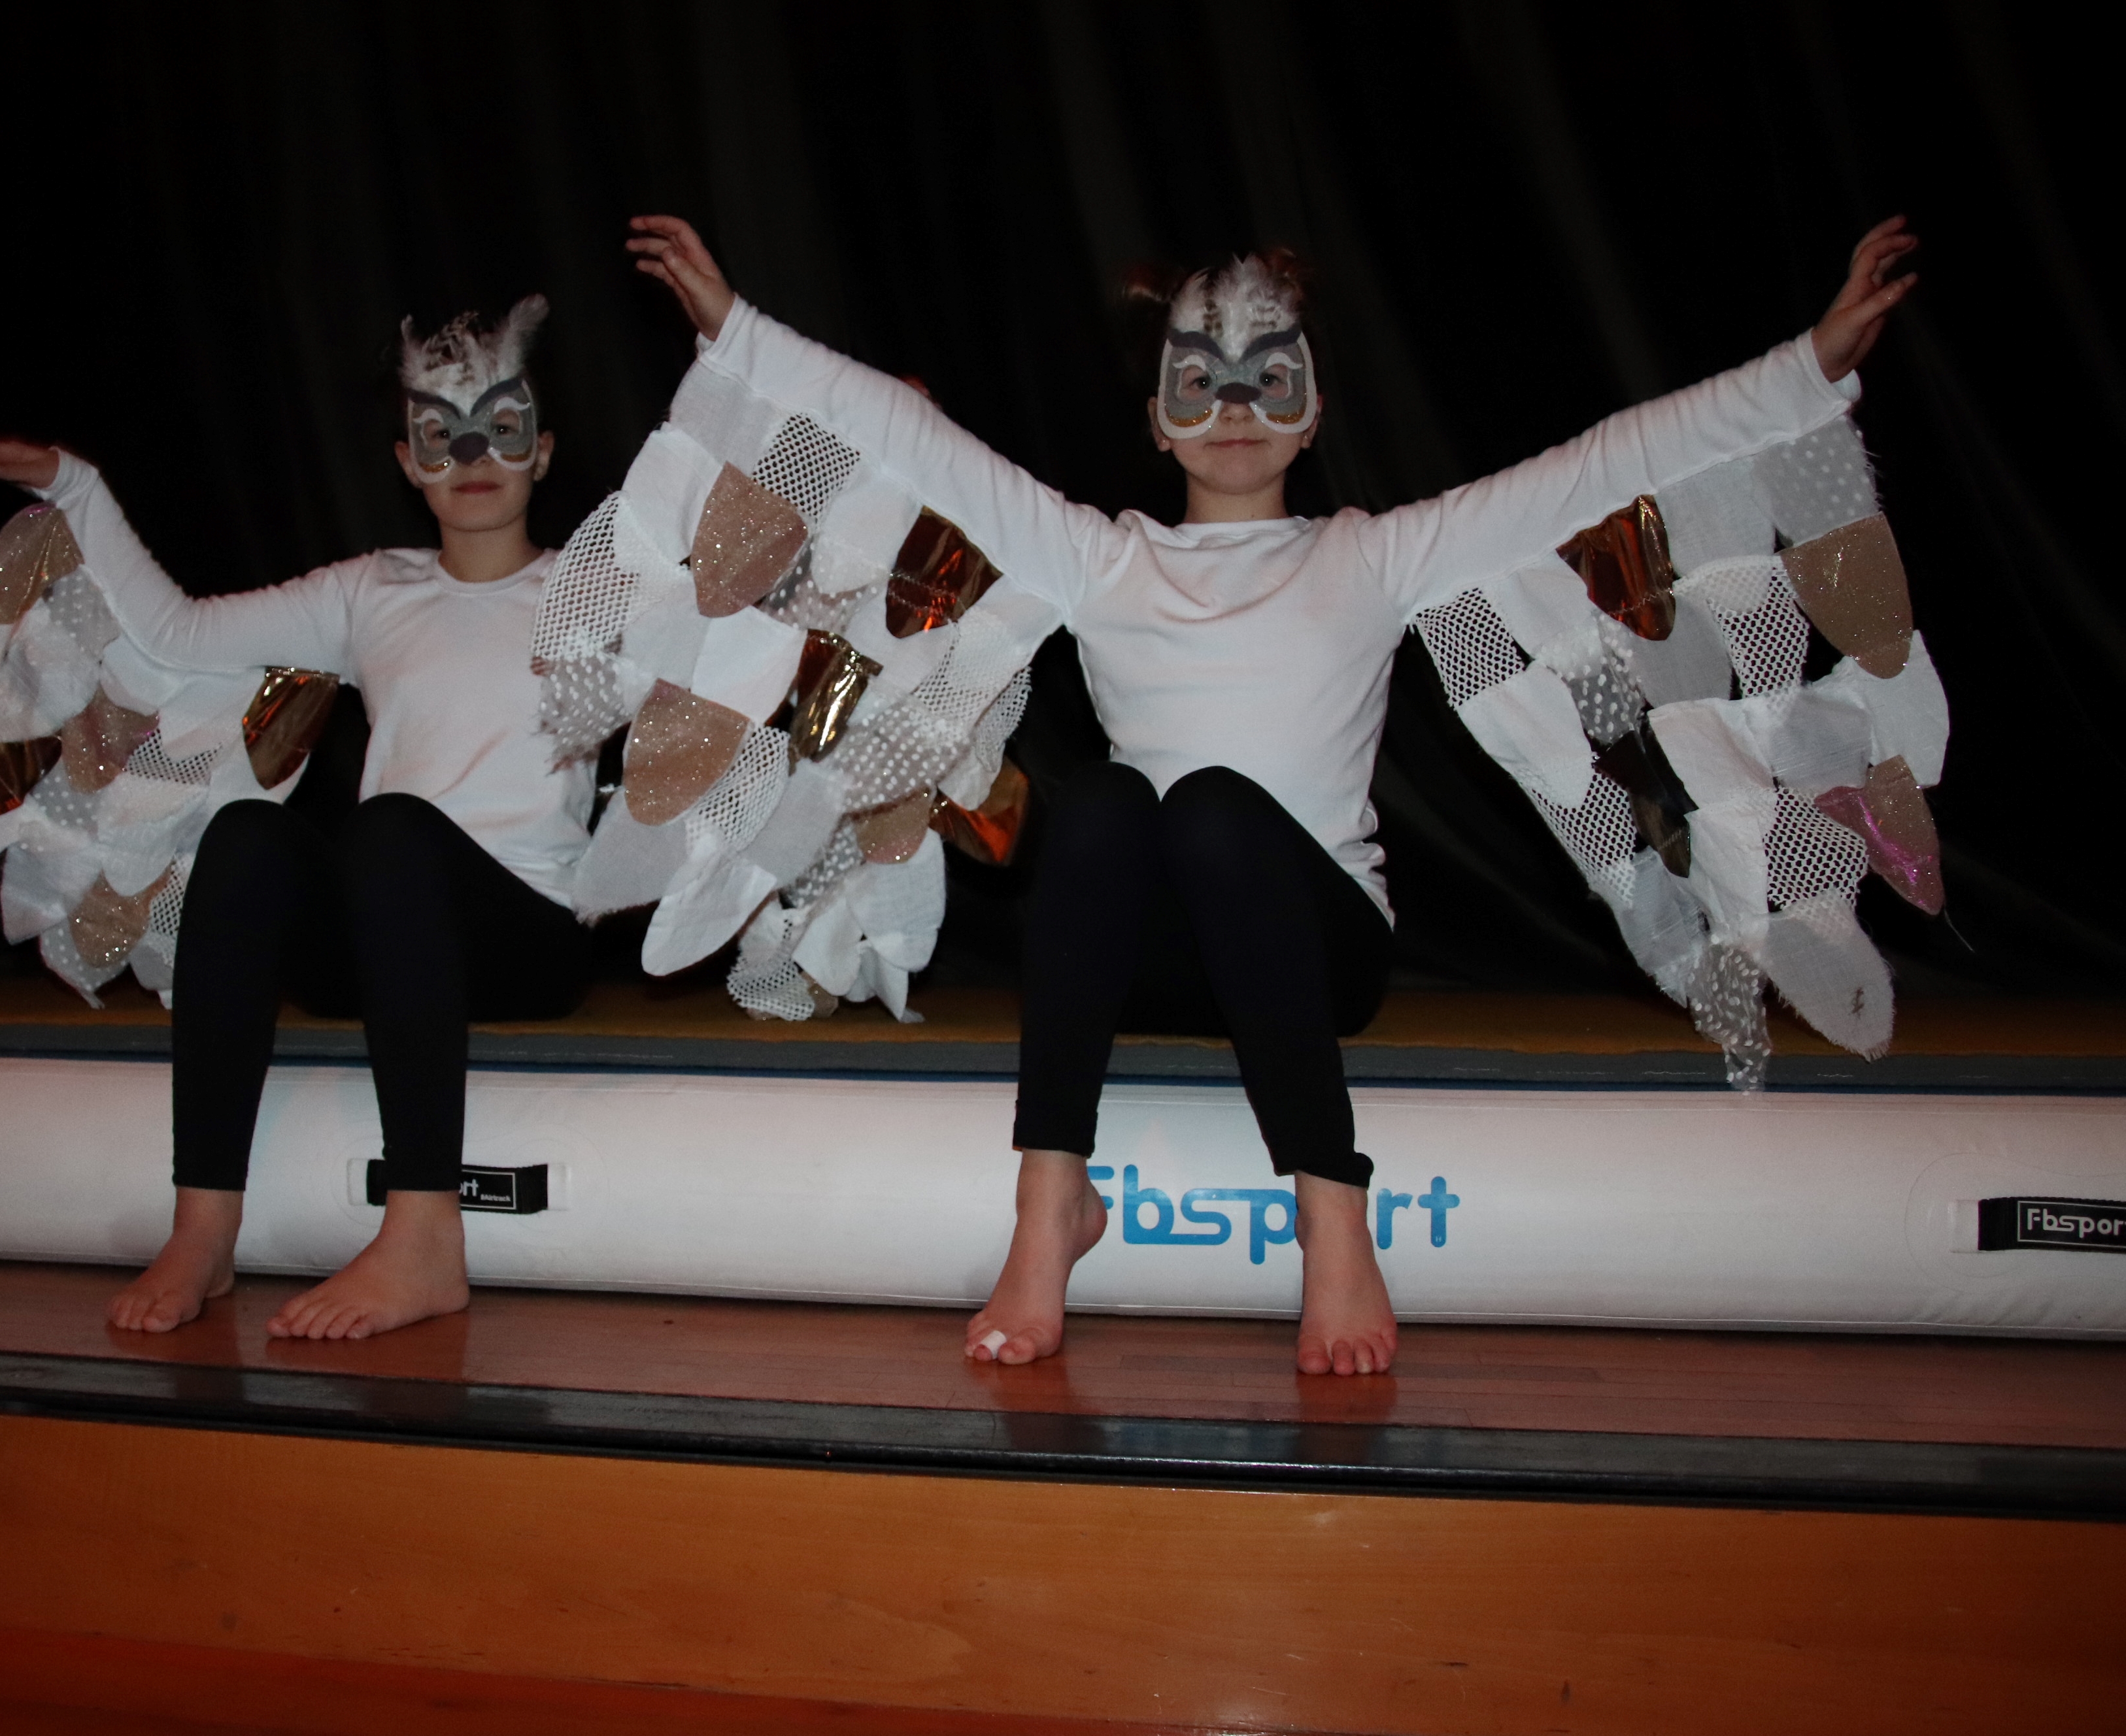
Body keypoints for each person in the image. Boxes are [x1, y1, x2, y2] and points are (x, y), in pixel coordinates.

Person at [629, 213, 1917, 1377]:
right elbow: (917, 442)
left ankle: (1332, 1211)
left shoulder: (1375, 555)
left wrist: (1808, 363)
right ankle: (1050, 1202)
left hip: (1315, 948)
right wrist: (737, 328)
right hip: (1149, 957)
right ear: (1158, 419)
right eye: (1201, 380)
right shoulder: (1103, 557)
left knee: (1212, 807)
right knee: (1105, 805)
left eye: (1269, 378)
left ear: (1312, 415)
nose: (1236, 405)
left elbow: (1602, 464)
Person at [0, 297, 596, 1339]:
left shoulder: (598, 587)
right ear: (407, 461)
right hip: (387, 936)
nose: (473, 456)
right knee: (247, 837)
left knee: (393, 829)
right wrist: (73, 484)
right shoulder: (369, 592)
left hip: (527, 939)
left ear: (543, 452)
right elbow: (178, 631)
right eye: (441, 434)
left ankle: (424, 1235)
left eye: (501, 428)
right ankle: (203, 1227)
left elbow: (755, 630)